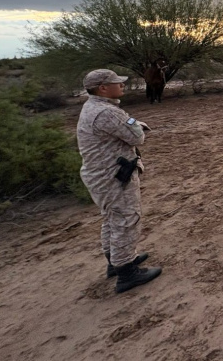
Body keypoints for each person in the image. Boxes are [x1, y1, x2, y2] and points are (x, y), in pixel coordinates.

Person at [77, 69, 162, 294]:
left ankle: (116, 261)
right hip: (113, 176)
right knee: (126, 218)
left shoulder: (95, 107)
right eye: (117, 83)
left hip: (101, 175)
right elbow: (137, 136)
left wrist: (130, 121)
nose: (122, 86)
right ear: (103, 88)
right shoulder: (106, 112)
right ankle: (127, 272)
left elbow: (128, 123)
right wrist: (133, 122)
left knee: (112, 219)